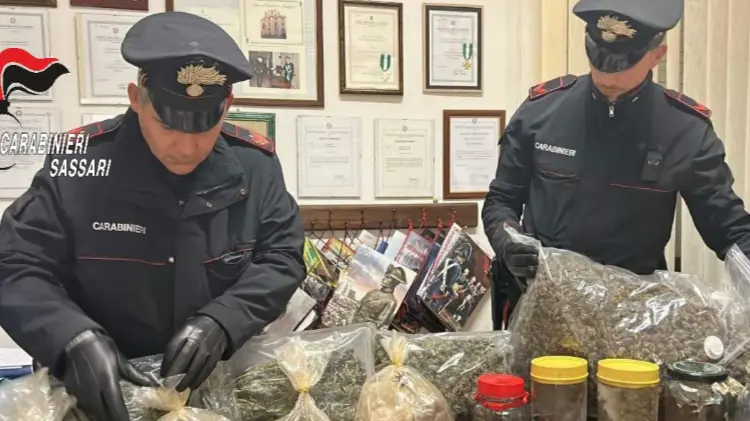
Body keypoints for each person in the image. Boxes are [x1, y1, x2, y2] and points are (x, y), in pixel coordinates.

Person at [0, 11, 305, 421]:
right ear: (136, 97)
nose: (186, 147)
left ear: (227, 105)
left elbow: (282, 257)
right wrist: (71, 338)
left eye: (204, 128)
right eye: (167, 125)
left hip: (211, 393)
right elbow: (15, 264)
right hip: (96, 393)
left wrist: (225, 320)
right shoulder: (79, 165)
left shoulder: (255, 167)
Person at [483, 0, 750, 329]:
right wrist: (508, 241)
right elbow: (501, 200)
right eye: (599, 59)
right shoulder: (541, 112)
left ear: (657, 55)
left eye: (623, 64)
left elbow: (728, 227)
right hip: (544, 303)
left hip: (635, 314)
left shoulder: (685, 130)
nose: (607, 75)